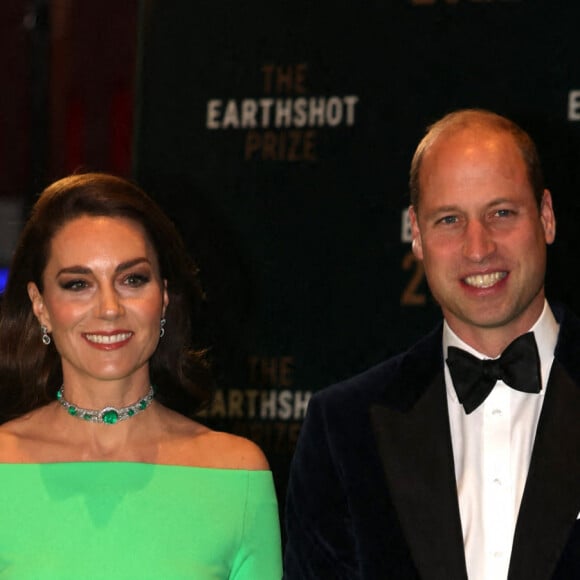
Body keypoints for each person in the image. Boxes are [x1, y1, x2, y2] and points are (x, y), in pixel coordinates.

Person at [283, 109, 580, 579]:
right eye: (449, 220)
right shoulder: (342, 430)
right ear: (417, 235)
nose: (478, 248)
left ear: (546, 217)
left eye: (501, 213)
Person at [0, 172, 282, 579]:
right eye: (78, 284)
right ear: (40, 305)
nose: (110, 307)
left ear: (163, 296)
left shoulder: (237, 474)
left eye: (132, 279)